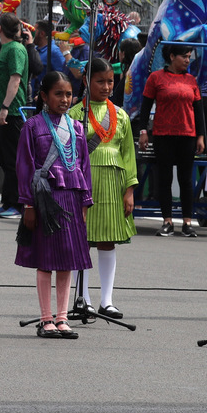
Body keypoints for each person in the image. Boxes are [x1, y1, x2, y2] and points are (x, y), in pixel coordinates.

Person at [16, 71, 92, 338]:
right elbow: (25, 167)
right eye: (58, 94)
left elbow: (84, 166)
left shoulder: (78, 128)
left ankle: (62, 318)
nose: (64, 99)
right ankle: (45, 318)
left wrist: (86, 201)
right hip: (45, 199)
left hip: (71, 198)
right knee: (45, 260)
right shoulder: (33, 126)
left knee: (67, 261)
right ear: (44, 96)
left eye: (69, 94)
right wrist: (28, 204)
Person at [71, 59, 137, 318]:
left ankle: (107, 300)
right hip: (85, 181)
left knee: (107, 241)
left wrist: (129, 190)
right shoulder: (75, 114)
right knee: (83, 240)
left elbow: (128, 154)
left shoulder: (121, 116)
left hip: (114, 182)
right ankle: (84, 298)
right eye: (100, 81)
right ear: (87, 81)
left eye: (111, 81)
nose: (107, 86)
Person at [135, 43, 205, 237]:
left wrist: (201, 136)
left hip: (187, 135)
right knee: (165, 178)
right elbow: (145, 107)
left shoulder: (191, 80)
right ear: (172, 56)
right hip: (163, 134)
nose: (187, 60)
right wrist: (143, 131)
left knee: (186, 179)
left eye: (189, 57)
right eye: (184, 56)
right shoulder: (156, 78)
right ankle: (167, 221)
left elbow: (198, 110)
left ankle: (187, 222)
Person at [0, 14, 30, 219]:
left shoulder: (15, 49)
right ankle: (7, 201)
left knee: (13, 159)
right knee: (5, 159)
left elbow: (15, 80)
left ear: (1, 28)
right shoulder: (4, 48)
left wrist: (5, 107)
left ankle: (17, 203)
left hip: (11, 112)